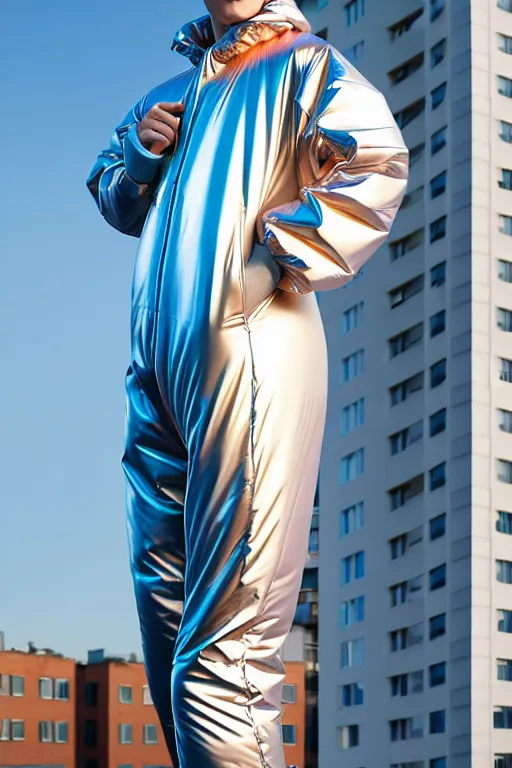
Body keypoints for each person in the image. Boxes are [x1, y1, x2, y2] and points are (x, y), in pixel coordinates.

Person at [86, 1, 408, 765]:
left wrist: (272, 262)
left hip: (254, 352)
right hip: (157, 372)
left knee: (222, 658)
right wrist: (137, 155)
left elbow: (377, 161)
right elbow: (108, 189)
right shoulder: (175, 88)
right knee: (167, 632)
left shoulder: (307, 64)